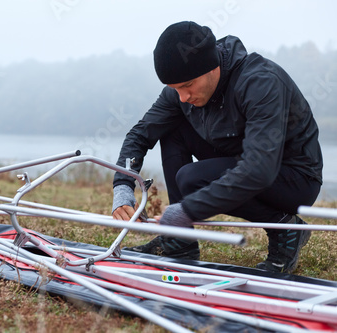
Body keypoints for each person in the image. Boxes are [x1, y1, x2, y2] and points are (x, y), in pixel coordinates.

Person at [112, 21, 323, 274]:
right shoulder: (182, 92)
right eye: (175, 89)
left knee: (192, 179)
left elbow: (259, 169)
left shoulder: (260, 83)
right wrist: (122, 185)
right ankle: (179, 241)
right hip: (239, 159)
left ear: (211, 68)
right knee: (172, 128)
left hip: (295, 178)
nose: (183, 97)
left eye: (187, 86)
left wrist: (186, 210)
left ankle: (285, 230)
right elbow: (140, 134)